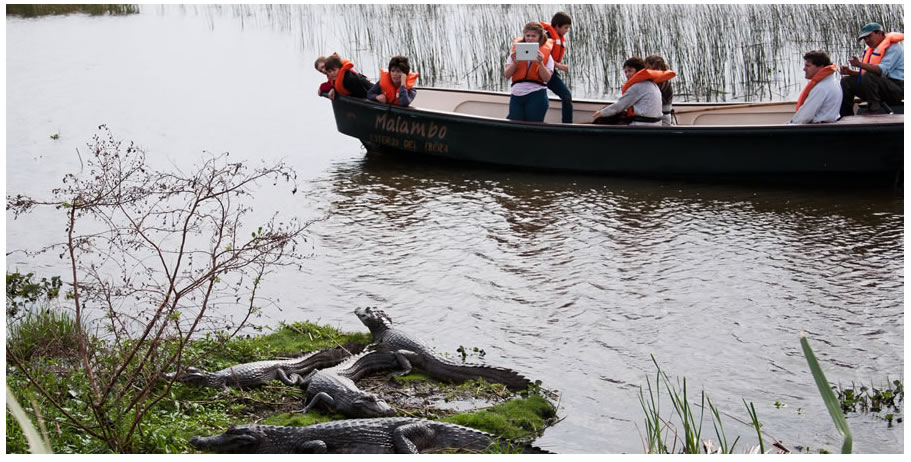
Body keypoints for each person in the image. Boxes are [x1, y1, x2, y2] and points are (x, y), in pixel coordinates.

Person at [839, 22, 904, 116]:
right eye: (865, 38)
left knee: (870, 75)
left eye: (869, 36)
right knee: (846, 81)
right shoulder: (872, 50)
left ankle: (874, 109)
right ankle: (845, 115)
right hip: (880, 87)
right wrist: (851, 72)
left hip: (896, 89)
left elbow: (881, 71)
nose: (867, 40)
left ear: (880, 33)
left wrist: (859, 64)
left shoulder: (894, 48)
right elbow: (867, 76)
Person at [592, 56, 675, 126]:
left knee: (605, 117)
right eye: (625, 72)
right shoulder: (652, 84)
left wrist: (601, 113)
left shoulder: (638, 86)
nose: (627, 74)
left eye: (630, 71)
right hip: (656, 123)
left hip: (643, 125)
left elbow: (620, 105)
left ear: (639, 71)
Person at [504, 22, 554, 122]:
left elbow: (547, 78)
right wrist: (515, 62)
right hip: (516, 96)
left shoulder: (546, 55)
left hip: (536, 95)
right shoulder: (515, 53)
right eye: (528, 35)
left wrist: (540, 63)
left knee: (533, 128)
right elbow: (507, 75)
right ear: (524, 36)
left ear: (540, 37)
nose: (530, 38)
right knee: (514, 127)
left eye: (534, 36)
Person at [789, 50, 841, 124]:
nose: (804, 69)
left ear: (821, 67)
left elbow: (804, 117)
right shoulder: (834, 81)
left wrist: (790, 124)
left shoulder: (821, 88)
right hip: (829, 125)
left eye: (808, 66)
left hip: (817, 129)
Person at [540, 12, 573, 123]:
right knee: (566, 96)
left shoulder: (558, 37)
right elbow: (544, 57)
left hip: (551, 72)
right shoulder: (546, 37)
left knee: (567, 96)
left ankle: (567, 125)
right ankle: (567, 126)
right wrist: (560, 66)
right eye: (565, 27)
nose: (567, 30)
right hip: (541, 73)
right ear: (557, 26)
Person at [644, 55, 674, 126]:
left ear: (656, 68)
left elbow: (657, 102)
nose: (646, 70)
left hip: (663, 119)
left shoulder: (663, 84)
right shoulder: (654, 82)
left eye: (648, 68)